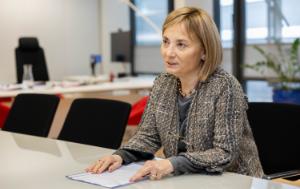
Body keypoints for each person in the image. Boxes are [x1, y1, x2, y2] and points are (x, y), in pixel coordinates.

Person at [86, 6, 263, 181]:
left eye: (181, 44)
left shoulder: (225, 86)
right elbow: (148, 135)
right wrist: (120, 156)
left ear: (204, 51)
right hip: (186, 179)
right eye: (165, 41)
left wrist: (172, 164)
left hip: (236, 180)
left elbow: (224, 153)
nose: (168, 53)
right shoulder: (163, 83)